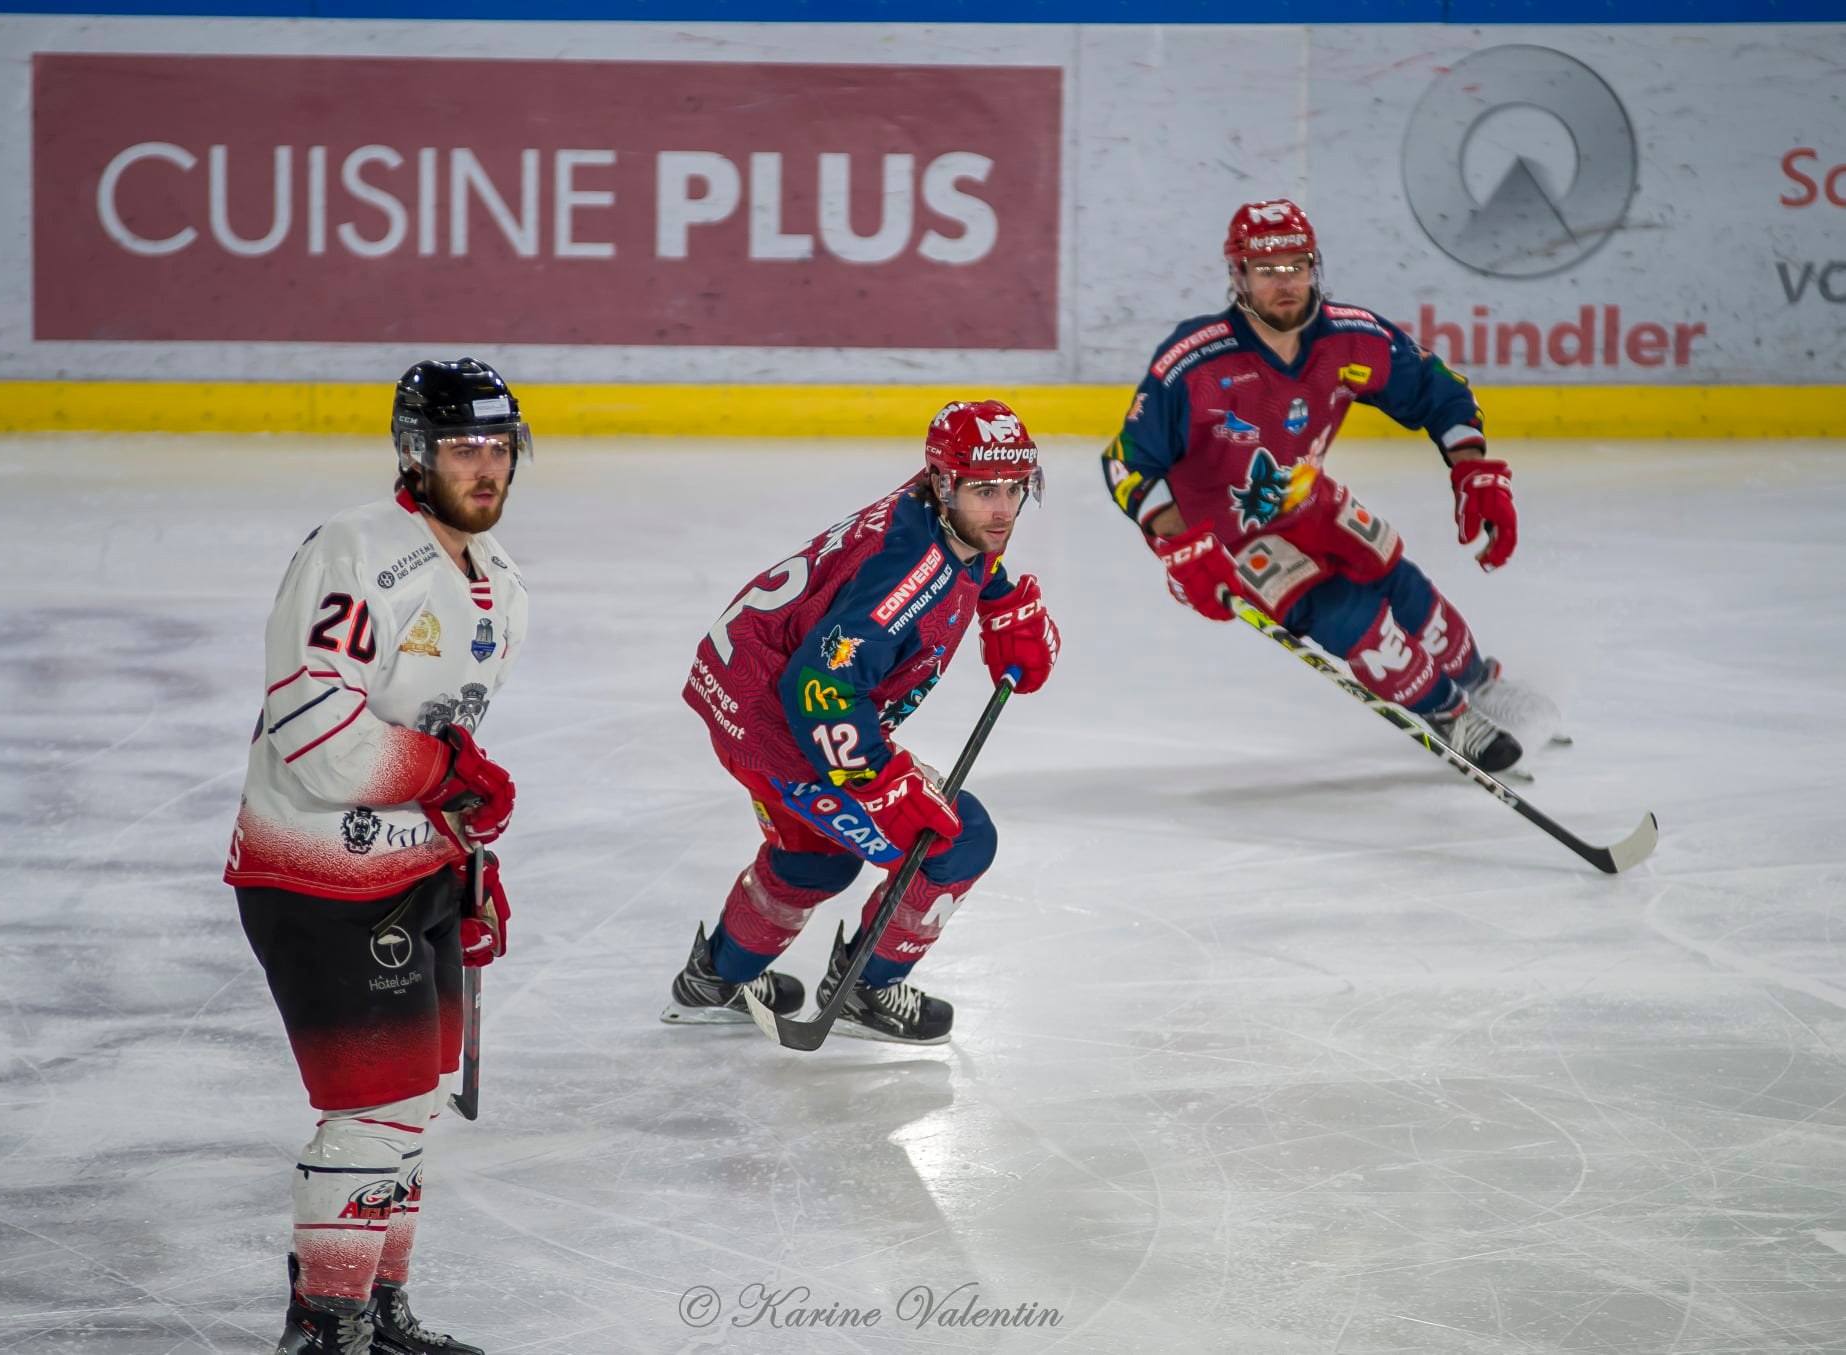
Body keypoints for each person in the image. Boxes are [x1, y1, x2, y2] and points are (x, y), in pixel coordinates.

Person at [224, 358, 530, 1355]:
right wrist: (448, 778)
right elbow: (316, 737)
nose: (483, 468)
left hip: (414, 874)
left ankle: (377, 1308)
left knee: (414, 1105)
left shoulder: (500, 586)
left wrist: (467, 865)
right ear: (414, 451)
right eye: (460, 447)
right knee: (375, 1106)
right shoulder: (355, 553)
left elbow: (439, 752)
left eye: (497, 447)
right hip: (317, 872)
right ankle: (325, 1324)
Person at [1101, 198, 1555, 772]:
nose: (1284, 282)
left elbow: (1437, 389)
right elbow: (1127, 462)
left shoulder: (1351, 338)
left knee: (1398, 580)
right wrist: (1179, 544)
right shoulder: (1196, 363)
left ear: (1315, 266)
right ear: (1238, 276)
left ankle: (1479, 683)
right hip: (1227, 534)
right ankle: (1447, 714)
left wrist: (1472, 468)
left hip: (1303, 496)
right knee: (1346, 616)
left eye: (1295, 265)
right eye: (1266, 270)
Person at [664, 400, 1061, 1045]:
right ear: (945, 482)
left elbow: (966, 549)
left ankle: (715, 981)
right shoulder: (908, 574)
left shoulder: (933, 509)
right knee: (959, 840)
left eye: (1016, 489)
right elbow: (820, 682)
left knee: (816, 860)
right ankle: (866, 992)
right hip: (782, 724)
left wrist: (1003, 601)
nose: (1003, 510)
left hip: (743, 693)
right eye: (985, 490)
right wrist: (878, 778)